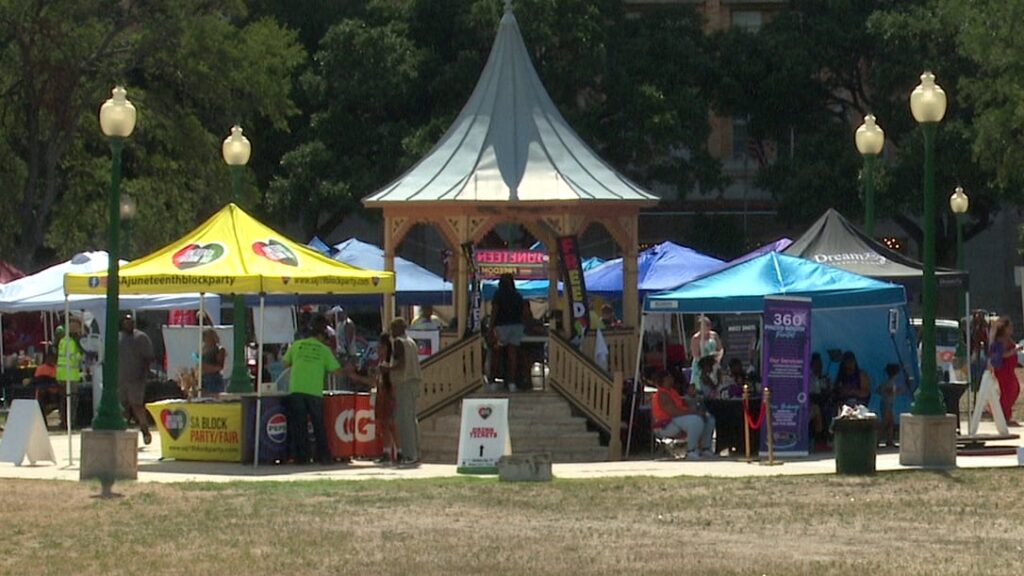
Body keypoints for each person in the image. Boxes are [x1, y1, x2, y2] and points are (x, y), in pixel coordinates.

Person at [283, 314, 342, 465]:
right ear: (322, 336)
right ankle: (324, 456)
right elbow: (336, 371)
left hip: (296, 388)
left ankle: (301, 457)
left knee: (299, 426)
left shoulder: (297, 345)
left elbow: (285, 363)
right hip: (314, 391)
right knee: (318, 425)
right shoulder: (324, 349)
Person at [650, 369, 716, 459]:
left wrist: (691, 397)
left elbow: (683, 405)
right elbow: (674, 412)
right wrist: (695, 413)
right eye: (669, 377)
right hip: (666, 424)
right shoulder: (662, 394)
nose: (672, 379)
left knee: (709, 419)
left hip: (677, 420)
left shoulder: (672, 391)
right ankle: (691, 450)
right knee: (695, 421)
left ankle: (706, 449)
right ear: (664, 379)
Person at [389, 317, 423, 464]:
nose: (391, 332)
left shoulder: (399, 342)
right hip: (414, 382)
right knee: (412, 419)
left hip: (404, 382)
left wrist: (386, 369)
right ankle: (416, 452)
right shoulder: (411, 342)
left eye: (392, 329)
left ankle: (410, 455)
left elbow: (400, 363)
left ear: (398, 329)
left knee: (404, 421)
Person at [118, 313, 154, 445]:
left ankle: (145, 429)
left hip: (136, 379)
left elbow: (148, 358)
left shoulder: (141, 338)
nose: (128, 324)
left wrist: (143, 374)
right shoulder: (118, 338)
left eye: (131, 321)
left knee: (137, 405)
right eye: (126, 322)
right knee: (122, 406)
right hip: (121, 379)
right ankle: (123, 432)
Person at [490, 273, 525, 392]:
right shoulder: (518, 296)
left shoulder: (498, 295)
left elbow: (495, 311)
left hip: (501, 326)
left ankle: (493, 381)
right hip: (516, 326)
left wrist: (490, 328)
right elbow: (523, 313)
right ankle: (512, 383)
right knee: (512, 356)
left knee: (496, 355)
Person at [988, 317, 1020, 426]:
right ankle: (1003, 416)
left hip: (1010, 370)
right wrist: (1013, 351)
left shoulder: (1008, 339)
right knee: (1008, 392)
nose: (1011, 329)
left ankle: (1005, 414)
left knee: (1015, 390)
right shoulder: (1001, 340)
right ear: (1004, 329)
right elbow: (1002, 355)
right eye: (1009, 328)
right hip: (1003, 370)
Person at [373, 333, 398, 464]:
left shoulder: (388, 365)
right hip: (381, 397)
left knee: (390, 425)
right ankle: (386, 452)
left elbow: (391, 384)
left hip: (388, 397)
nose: (378, 350)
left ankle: (398, 451)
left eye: (380, 347)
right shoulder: (380, 364)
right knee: (383, 425)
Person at [877, 363, 909, 447]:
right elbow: (886, 391)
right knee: (885, 422)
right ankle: (876, 439)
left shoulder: (889, 382)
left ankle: (889, 440)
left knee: (890, 422)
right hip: (886, 404)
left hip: (888, 403)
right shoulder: (889, 383)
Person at [689, 315, 724, 389]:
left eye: (709, 325)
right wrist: (705, 364)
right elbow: (695, 355)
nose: (708, 327)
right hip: (701, 364)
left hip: (714, 362)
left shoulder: (714, 335)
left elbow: (720, 349)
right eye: (706, 325)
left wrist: (717, 358)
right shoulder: (695, 338)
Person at [808, 352, 832, 447]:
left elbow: (829, 391)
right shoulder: (808, 378)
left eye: (820, 364)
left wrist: (828, 386)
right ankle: (818, 439)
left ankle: (826, 438)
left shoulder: (825, 378)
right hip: (812, 402)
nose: (819, 367)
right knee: (818, 409)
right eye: (816, 365)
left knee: (828, 410)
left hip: (824, 401)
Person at [201, 329, 227, 395]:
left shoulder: (219, 349)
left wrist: (207, 368)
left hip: (213, 378)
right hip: (203, 377)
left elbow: (220, 366)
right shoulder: (203, 349)